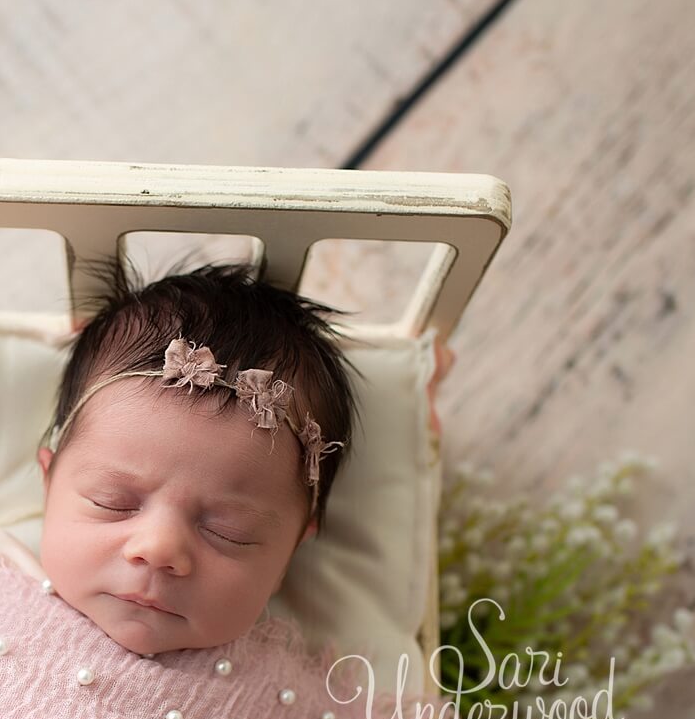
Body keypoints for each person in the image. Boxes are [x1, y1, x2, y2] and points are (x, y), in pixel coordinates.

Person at [34, 261, 454, 657]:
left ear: (287, 558)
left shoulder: (290, 686)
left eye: (228, 532)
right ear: (49, 482)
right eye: (113, 502)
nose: (159, 548)